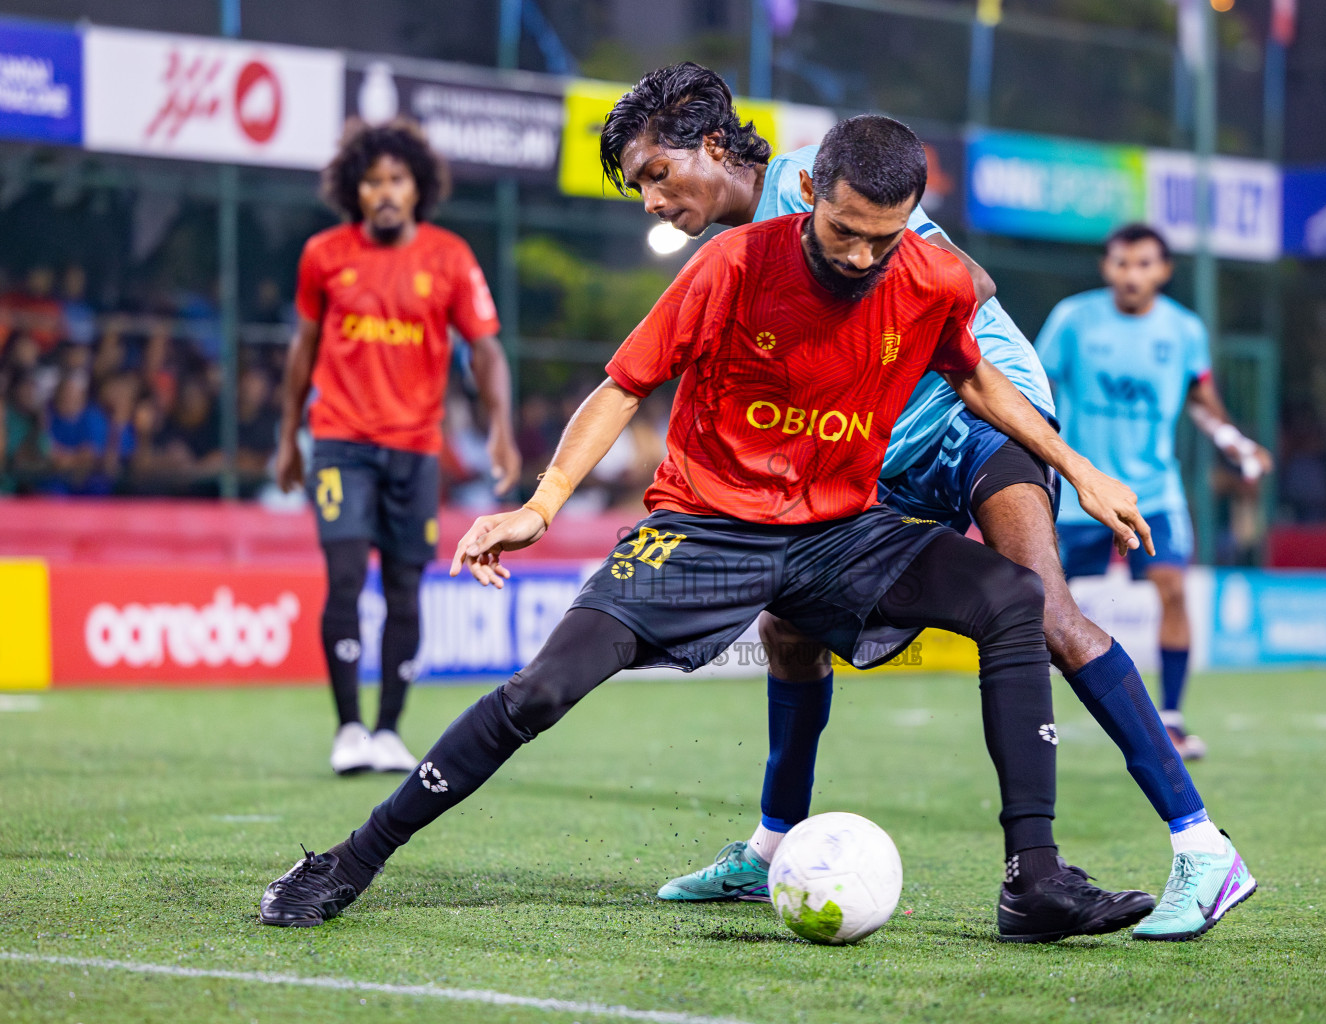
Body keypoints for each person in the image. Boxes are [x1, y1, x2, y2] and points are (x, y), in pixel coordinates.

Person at [259, 115, 1160, 944]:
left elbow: (972, 375)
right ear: (809, 193)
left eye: (883, 238)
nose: (860, 256)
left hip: (836, 531)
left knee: (1014, 599)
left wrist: (1077, 469)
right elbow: (623, 385)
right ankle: (353, 858)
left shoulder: (929, 275)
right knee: (542, 690)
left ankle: (1033, 880)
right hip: (706, 526)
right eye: (844, 231)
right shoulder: (732, 263)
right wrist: (541, 505)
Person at [601, 62, 1255, 941]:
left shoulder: (816, 179)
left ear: (712, 146)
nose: (650, 197)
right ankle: (769, 850)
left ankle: (1203, 847)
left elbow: (968, 283)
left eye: (656, 172)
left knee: (1048, 612)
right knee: (787, 623)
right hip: (879, 443)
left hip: (977, 411)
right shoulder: (741, 250)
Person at [274, 118, 519, 776]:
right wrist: (288, 436)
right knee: (347, 578)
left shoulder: (449, 257)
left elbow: (486, 348)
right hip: (339, 445)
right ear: (355, 190)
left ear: (418, 188)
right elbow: (303, 349)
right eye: (372, 181)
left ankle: (388, 731)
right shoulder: (323, 255)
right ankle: (348, 727)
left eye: (396, 180)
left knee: (407, 588)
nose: (384, 192)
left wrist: (499, 426)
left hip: (416, 451)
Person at [1036, 223, 1274, 761]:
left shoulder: (1183, 330)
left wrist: (1236, 444)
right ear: (1106, 268)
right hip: (1082, 491)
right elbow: (1033, 389)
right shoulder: (1073, 319)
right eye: (1121, 263)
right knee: (1043, 602)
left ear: (1164, 271)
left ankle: (1169, 718)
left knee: (1171, 588)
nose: (1131, 274)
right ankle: (1032, 713)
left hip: (1153, 492)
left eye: (1144, 264)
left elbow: (1199, 399)